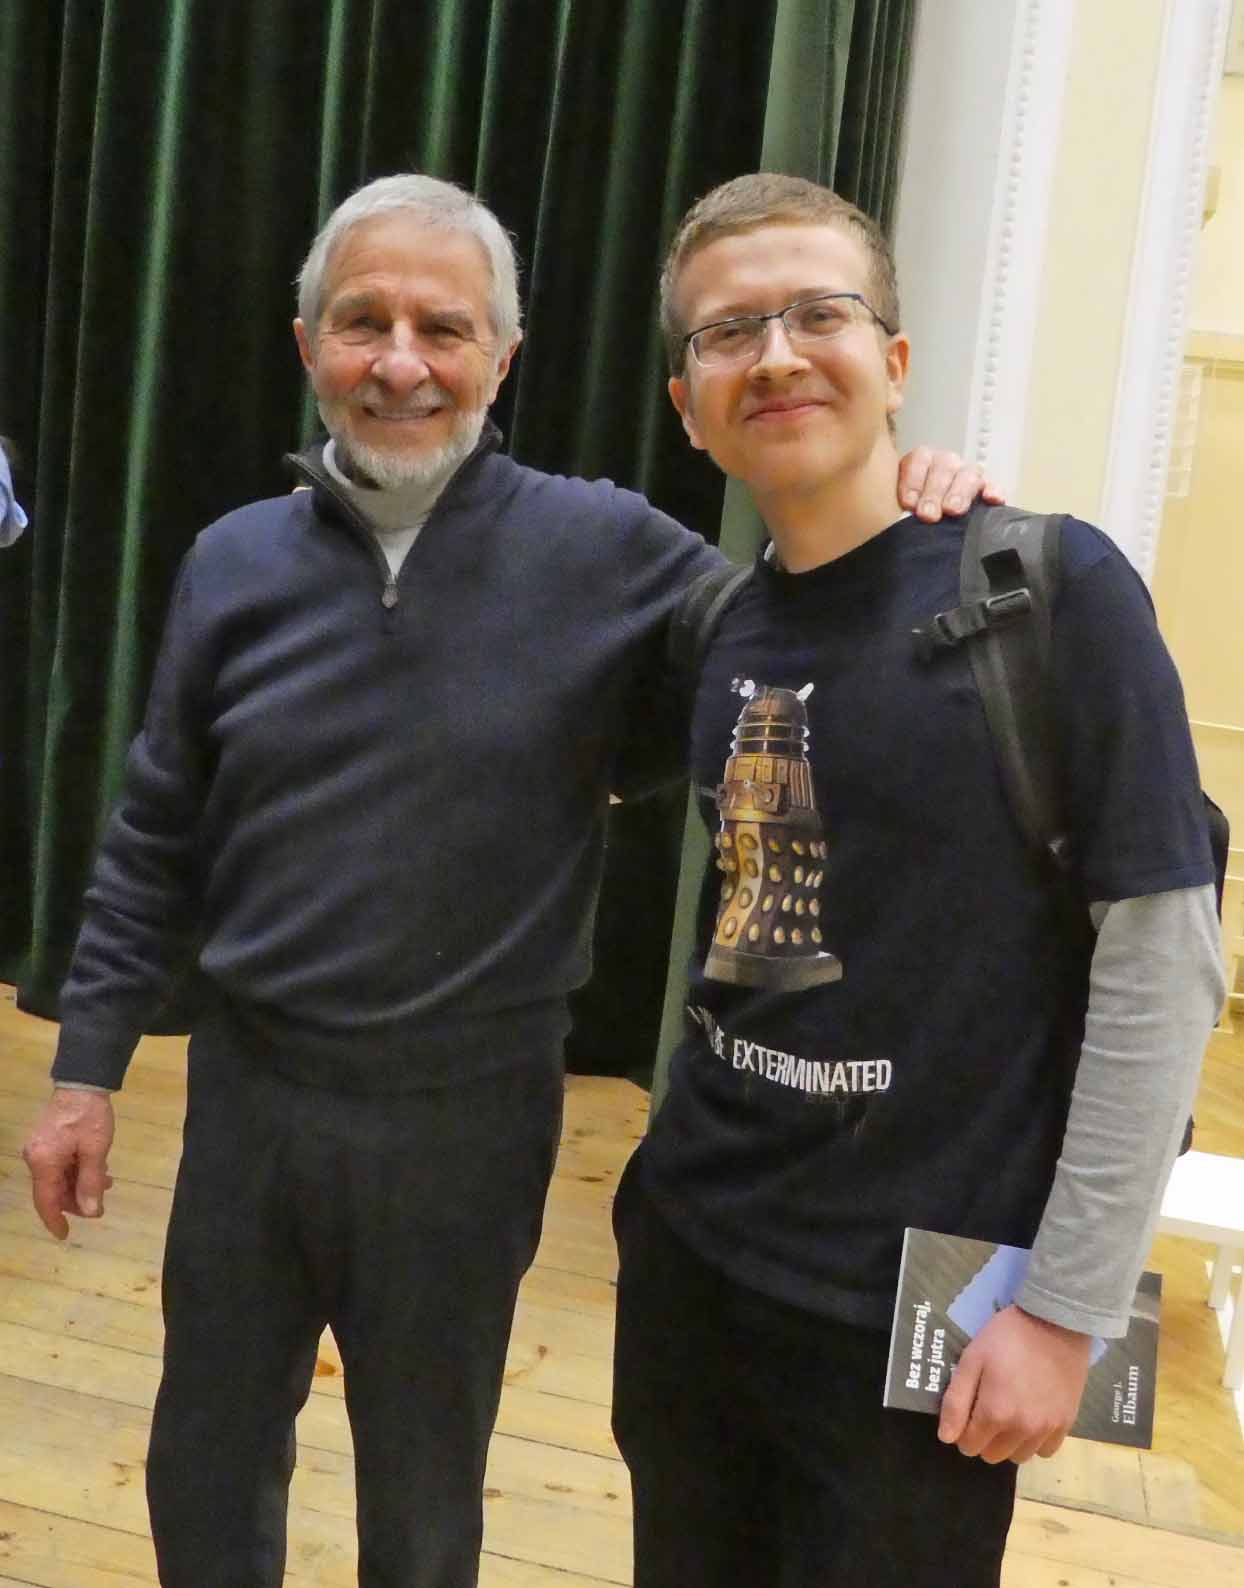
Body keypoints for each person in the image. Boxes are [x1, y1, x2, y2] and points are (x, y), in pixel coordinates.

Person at [18, 173, 984, 1588]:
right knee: (204, 1458)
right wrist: (85, 1071)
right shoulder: (233, 562)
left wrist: (913, 512)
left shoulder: (608, 549)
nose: (401, 362)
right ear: (308, 345)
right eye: (364, 322)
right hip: (249, 1104)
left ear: (504, 356)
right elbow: (156, 828)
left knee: (424, 1495)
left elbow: (798, 625)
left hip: (468, 1125)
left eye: (444, 328)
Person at [611, 173, 1226, 1588]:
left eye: (818, 314)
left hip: (923, 1319)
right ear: (689, 406)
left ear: (892, 362)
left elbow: (1161, 965)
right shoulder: (713, 626)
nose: (776, 355)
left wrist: (1065, 1313)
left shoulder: (1055, 594)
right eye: (729, 331)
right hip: (694, 1264)